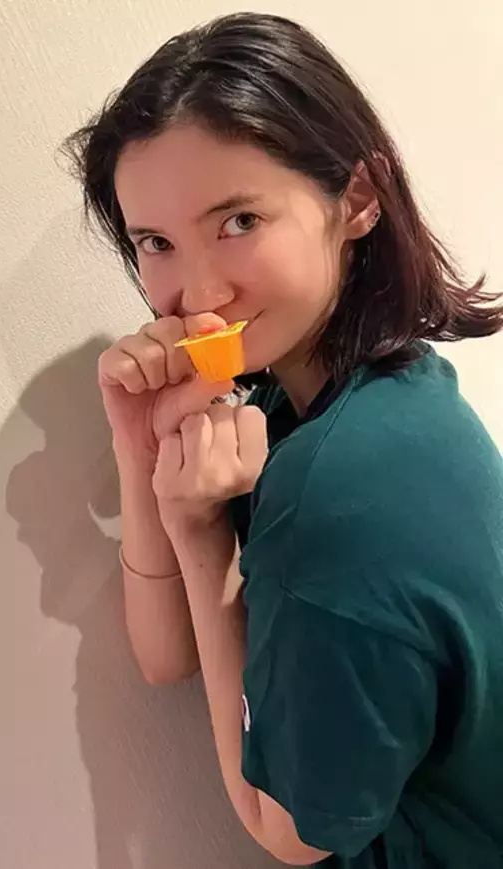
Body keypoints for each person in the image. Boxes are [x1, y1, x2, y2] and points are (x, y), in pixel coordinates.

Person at [63, 12, 503, 868]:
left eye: (238, 221)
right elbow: (165, 656)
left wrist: (199, 536)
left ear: (359, 198)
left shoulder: (339, 482)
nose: (197, 292)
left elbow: (288, 831)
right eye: (156, 242)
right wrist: (138, 445)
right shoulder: (345, 392)